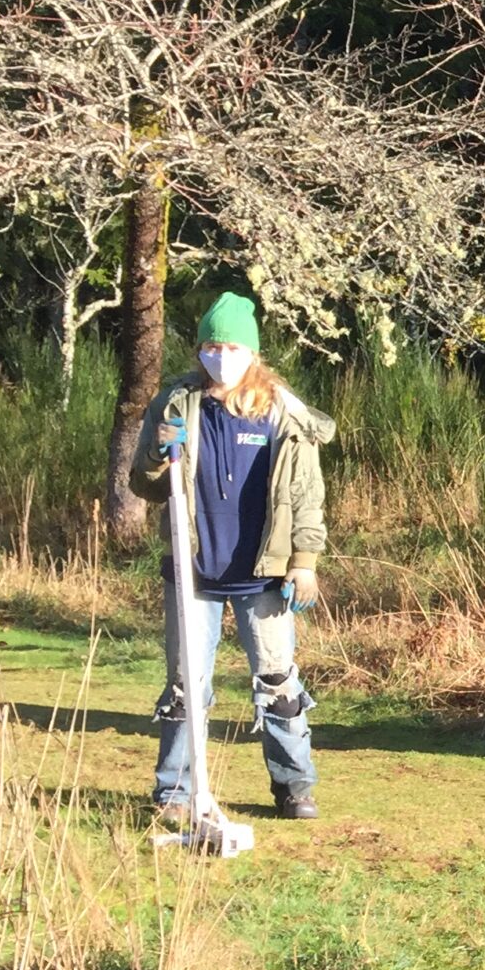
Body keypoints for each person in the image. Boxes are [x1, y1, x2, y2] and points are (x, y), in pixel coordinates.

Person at [128, 292, 335, 820]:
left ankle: (294, 788)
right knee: (185, 686)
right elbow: (145, 485)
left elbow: (307, 494)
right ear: (200, 349)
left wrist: (305, 562)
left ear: (252, 352)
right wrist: (157, 449)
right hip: (193, 568)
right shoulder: (177, 404)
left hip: (263, 574)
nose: (221, 354)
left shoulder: (285, 415)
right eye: (212, 345)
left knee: (278, 682)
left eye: (232, 345)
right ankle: (175, 793)